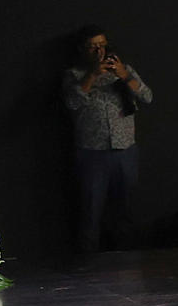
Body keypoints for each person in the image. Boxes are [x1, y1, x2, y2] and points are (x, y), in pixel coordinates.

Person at [64, 24, 154, 255]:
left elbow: (147, 97)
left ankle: (126, 259)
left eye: (102, 45)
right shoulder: (74, 75)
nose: (99, 51)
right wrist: (93, 74)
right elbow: (72, 103)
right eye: (93, 47)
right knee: (91, 210)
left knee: (125, 208)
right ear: (83, 49)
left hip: (125, 150)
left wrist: (124, 75)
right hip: (92, 153)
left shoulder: (124, 69)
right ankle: (88, 260)